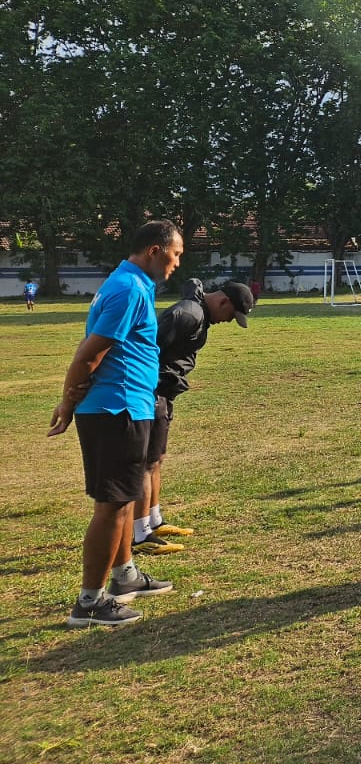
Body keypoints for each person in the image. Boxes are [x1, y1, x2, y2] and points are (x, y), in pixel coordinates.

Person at [47, 220, 185, 628]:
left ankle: (125, 575)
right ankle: (89, 602)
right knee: (112, 506)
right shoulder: (128, 289)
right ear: (155, 250)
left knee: (123, 500)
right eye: (176, 254)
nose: (177, 263)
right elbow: (90, 353)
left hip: (125, 406)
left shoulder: (130, 284)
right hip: (116, 409)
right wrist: (68, 401)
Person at [133, 277, 254, 555]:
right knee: (145, 463)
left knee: (157, 459)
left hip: (165, 393)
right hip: (151, 393)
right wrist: (149, 390)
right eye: (231, 315)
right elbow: (147, 351)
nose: (228, 321)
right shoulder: (188, 314)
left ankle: (155, 520)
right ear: (223, 301)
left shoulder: (198, 315)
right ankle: (140, 534)